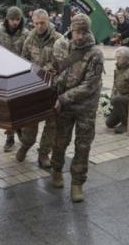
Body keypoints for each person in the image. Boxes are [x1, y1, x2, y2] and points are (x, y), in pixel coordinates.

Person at [50, 14, 104, 202]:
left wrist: (63, 98)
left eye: (83, 32)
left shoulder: (95, 54)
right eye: (76, 31)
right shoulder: (62, 46)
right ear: (71, 30)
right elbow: (54, 70)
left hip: (85, 108)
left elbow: (89, 85)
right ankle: (56, 170)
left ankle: (77, 183)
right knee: (59, 141)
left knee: (82, 145)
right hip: (64, 107)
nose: (79, 36)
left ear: (88, 31)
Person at [18, 9, 62, 168]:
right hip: (34, 88)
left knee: (52, 124)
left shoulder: (58, 39)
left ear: (48, 20)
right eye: (36, 23)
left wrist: (47, 70)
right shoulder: (29, 39)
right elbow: (23, 61)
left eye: (42, 23)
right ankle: (25, 145)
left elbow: (62, 63)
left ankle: (43, 154)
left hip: (52, 88)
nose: (39, 26)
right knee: (30, 122)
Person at [0, 6, 29, 152]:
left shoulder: (25, 34)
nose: (15, 22)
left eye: (17, 19)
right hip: (4, 75)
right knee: (7, 108)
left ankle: (20, 131)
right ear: (7, 19)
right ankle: (10, 137)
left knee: (19, 107)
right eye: (12, 19)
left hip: (20, 76)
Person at [105, 47, 129, 134]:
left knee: (117, 100)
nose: (117, 59)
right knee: (109, 123)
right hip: (123, 100)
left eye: (119, 57)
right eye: (116, 57)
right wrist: (111, 98)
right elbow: (115, 86)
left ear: (126, 58)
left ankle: (125, 124)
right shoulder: (118, 69)